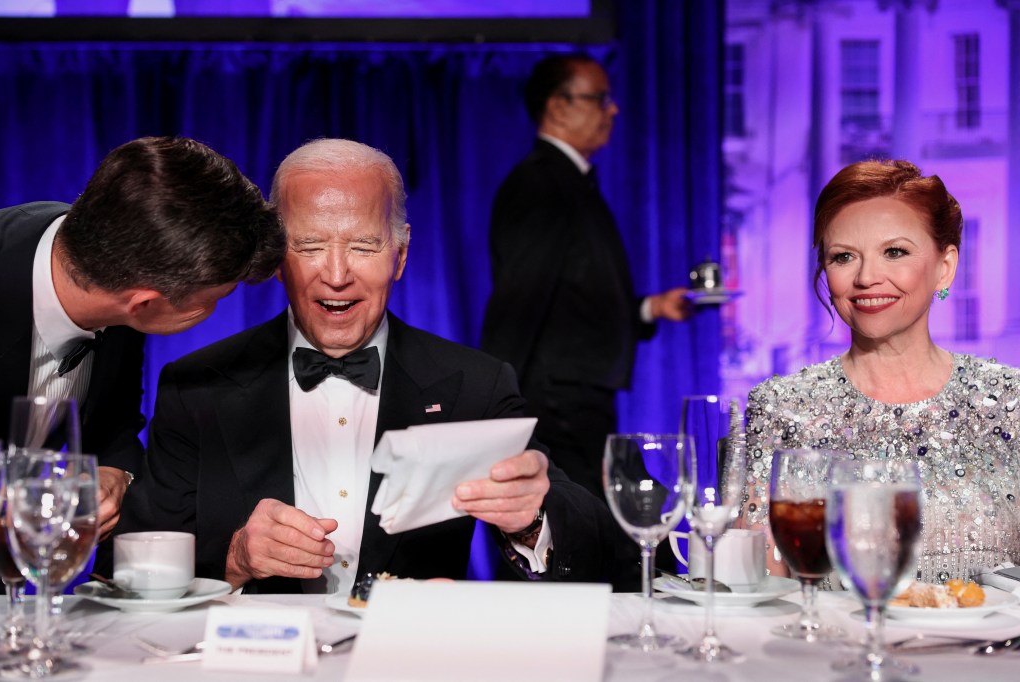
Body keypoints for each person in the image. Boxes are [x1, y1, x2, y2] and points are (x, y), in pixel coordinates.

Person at [117, 138, 629, 594]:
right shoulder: (195, 385)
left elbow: (601, 548)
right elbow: (133, 565)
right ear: (275, 256)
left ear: (401, 255)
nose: (336, 275)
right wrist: (234, 558)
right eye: (311, 246)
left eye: (363, 246)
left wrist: (533, 519)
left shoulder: (475, 384)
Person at [743, 159, 1020, 583]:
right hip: (841, 645)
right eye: (843, 257)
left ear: (945, 267)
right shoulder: (784, 407)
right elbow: (758, 584)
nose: (867, 277)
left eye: (895, 252)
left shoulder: (1008, 400)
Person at [0, 136, 284, 540]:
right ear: (144, 304)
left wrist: (115, 473)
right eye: (216, 299)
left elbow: (114, 430)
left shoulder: (120, 264)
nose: (213, 313)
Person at [480, 53, 693, 502]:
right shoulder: (541, 185)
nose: (612, 110)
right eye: (600, 98)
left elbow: (574, 294)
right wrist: (498, 405)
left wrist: (649, 308)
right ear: (558, 106)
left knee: (618, 519)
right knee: (600, 527)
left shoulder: (569, 182)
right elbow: (520, 299)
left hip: (575, 399)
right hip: (556, 405)